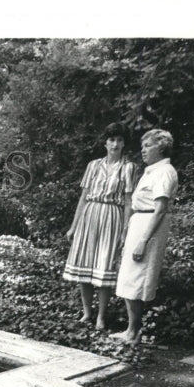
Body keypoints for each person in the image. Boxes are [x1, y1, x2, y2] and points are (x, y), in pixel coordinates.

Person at [62, 122, 136, 330]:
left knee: (104, 266)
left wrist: (125, 229)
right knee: (84, 264)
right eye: (112, 140)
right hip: (90, 215)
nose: (115, 144)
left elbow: (129, 201)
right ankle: (87, 313)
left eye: (120, 140)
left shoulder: (128, 168)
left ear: (124, 144)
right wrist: (74, 226)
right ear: (105, 142)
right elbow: (83, 197)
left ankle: (101, 317)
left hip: (112, 216)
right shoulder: (93, 166)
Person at [113, 129, 178, 342]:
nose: (143, 150)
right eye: (142, 146)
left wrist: (143, 241)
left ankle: (133, 332)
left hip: (150, 226)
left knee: (137, 279)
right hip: (139, 222)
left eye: (148, 146)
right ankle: (132, 330)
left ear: (161, 147)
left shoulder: (165, 172)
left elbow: (160, 208)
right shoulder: (151, 171)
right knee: (129, 278)